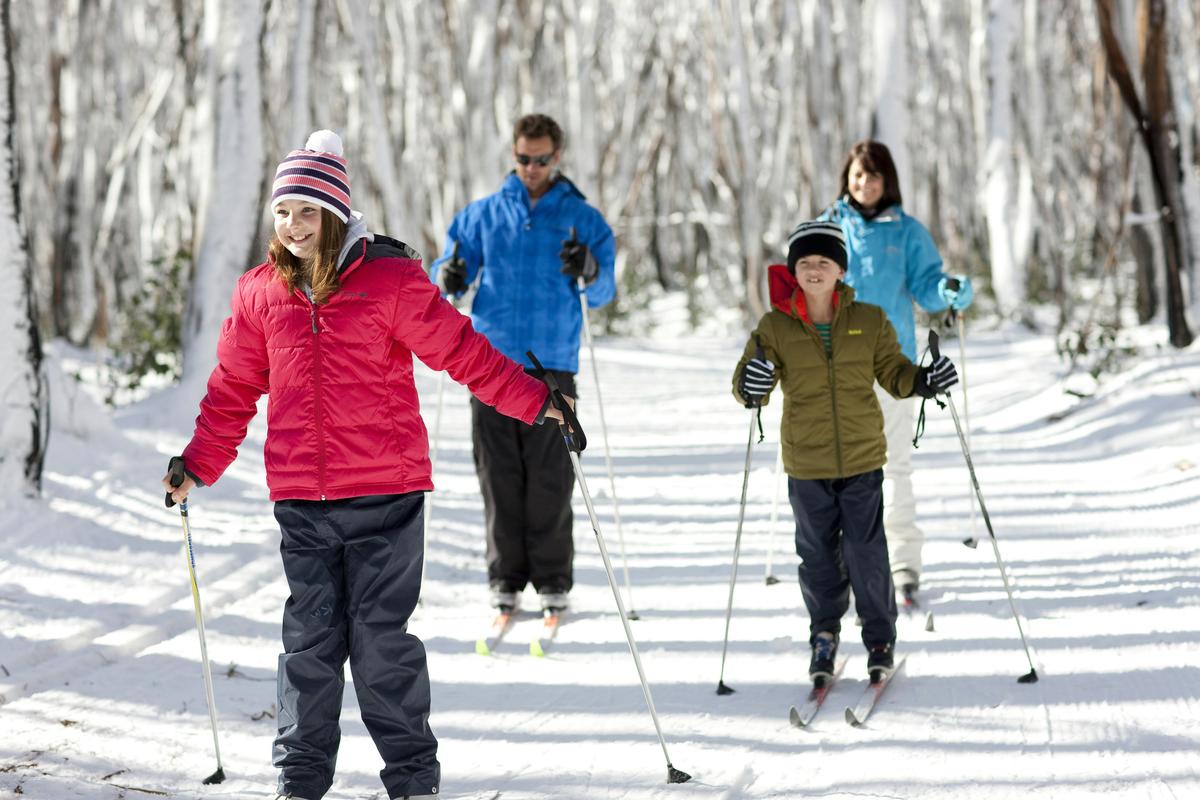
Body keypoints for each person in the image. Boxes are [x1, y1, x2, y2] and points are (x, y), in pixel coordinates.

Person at [161, 130, 570, 800]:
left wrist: (536, 400)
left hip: (387, 496)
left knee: (380, 643)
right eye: (283, 211)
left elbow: (462, 352)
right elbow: (233, 388)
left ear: (336, 214)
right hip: (302, 500)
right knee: (310, 642)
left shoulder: (390, 281)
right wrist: (198, 463)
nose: (294, 224)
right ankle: (300, 779)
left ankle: (411, 779)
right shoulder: (260, 293)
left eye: (308, 210)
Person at [732, 220, 958, 683]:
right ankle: (824, 634)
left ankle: (879, 637)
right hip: (806, 462)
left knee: (866, 552)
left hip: (861, 458)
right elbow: (748, 381)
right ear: (793, 270)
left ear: (841, 270)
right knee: (816, 557)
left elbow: (894, 373)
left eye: (824, 261)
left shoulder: (869, 320)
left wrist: (924, 380)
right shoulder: (775, 326)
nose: (814, 270)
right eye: (805, 262)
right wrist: (752, 385)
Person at [430, 113, 616, 616]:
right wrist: (449, 273)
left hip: (553, 361)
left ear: (557, 156)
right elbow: (445, 272)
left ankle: (552, 578)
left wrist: (590, 268)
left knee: (552, 476)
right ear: (513, 155)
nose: (532, 167)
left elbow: (603, 291)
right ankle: (505, 577)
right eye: (523, 158)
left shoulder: (582, 219)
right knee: (498, 474)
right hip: (489, 363)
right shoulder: (482, 215)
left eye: (542, 159)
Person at [819, 139, 973, 602]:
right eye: (858, 175)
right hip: (835, 366)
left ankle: (903, 563)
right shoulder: (829, 228)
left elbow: (927, 286)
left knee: (894, 467)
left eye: (873, 176)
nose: (865, 183)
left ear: (887, 181)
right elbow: (804, 280)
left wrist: (950, 291)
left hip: (893, 365)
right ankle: (843, 566)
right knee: (837, 472)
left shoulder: (907, 232)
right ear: (847, 178)